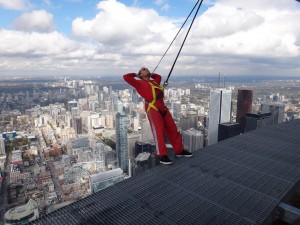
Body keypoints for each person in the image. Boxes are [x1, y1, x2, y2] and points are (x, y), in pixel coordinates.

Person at [123, 67, 193, 165]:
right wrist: (136, 75)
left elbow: (158, 76)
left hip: (163, 108)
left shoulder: (155, 81)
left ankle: (179, 150)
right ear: (141, 74)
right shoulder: (138, 83)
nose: (145, 68)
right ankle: (162, 155)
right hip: (152, 108)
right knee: (158, 132)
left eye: (146, 68)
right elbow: (126, 77)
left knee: (172, 129)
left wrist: (150, 75)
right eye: (143, 69)